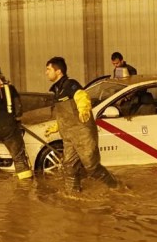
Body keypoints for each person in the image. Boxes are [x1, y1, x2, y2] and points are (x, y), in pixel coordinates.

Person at [45, 56, 118, 190]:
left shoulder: (70, 85)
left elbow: (81, 96)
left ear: (58, 71)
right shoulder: (56, 91)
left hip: (83, 133)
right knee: (69, 167)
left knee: (91, 167)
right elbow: (66, 114)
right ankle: (73, 194)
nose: (46, 72)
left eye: (49, 69)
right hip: (69, 136)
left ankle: (116, 187)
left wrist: (84, 109)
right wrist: (56, 127)